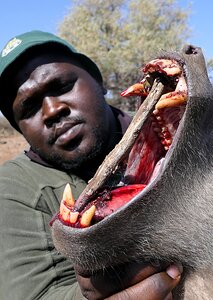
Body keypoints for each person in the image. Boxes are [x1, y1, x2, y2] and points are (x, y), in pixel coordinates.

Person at [0, 30, 182, 300]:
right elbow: (33, 293)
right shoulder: (13, 187)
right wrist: (89, 294)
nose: (51, 111)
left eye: (62, 86)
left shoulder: (174, 128)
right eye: (29, 109)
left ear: (98, 81)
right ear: (20, 130)